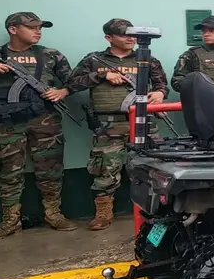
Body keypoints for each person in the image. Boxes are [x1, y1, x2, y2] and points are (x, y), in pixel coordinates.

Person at [0, 12, 77, 240]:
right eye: (32, 27)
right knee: (9, 172)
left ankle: (53, 214)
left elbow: (74, 81)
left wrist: (63, 91)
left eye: (40, 27)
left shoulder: (51, 55)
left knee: (50, 170)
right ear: (13, 29)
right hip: (6, 122)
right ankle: (10, 220)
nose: (38, 31)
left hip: (44, 120)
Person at [67, 19, 170, 230]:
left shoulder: (147, 59)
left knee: (154, 166)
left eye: (132, 34)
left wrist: (159, 94)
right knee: (105, 169)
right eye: (124, 35)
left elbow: (162, 85)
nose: (130, 38)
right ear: (109, 37)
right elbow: (72, 84)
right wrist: (102, 75)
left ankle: (158, 211)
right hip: (109, 126)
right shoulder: (94, 60)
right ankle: (103, 213)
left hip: (143, 123)